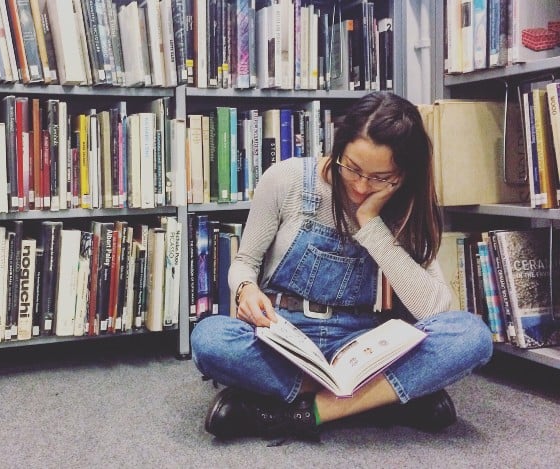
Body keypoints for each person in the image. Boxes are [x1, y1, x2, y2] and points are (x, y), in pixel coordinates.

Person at [190, 91, 493, 442]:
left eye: (380, 177)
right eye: (352, 167)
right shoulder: (286, 179)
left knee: (471, 336)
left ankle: (305, 411)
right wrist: (246, 289)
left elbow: (433, 309)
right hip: (286, 333)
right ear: (338, 147)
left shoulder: (406, 205)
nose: (361, 186)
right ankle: (380, 399)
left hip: (363, 340)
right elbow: (245, 263)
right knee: (209, 339)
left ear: (403, 173)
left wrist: (370, 224)